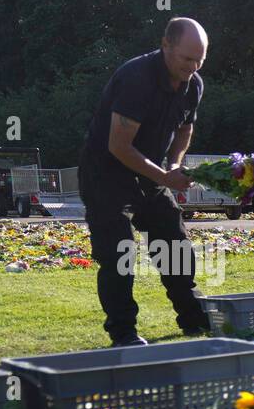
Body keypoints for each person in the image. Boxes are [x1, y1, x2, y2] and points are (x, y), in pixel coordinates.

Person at [78, 18, 211, 347]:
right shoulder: (137, 79)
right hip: (106, 174)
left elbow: (185, 129)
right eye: (187, 59)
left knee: (174, 243)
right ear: (166, 45)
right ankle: (123, 333)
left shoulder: (193, 84)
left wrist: (176, 164)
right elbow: (119, 146)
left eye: (200, 60)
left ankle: (195, 319)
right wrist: (165, 177)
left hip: (149, 173)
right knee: (119, 252)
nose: (193, 67)